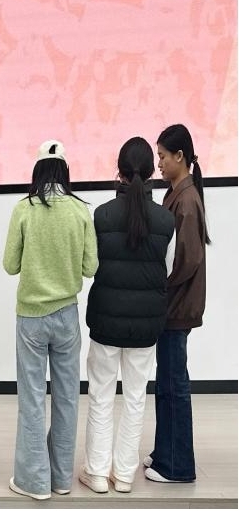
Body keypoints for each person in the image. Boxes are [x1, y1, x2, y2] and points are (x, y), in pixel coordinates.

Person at [3, 141, 98, 501]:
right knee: (67, 398)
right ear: (65, 172)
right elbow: (91, 267)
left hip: (31, 317)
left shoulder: (23, 209)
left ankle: (34, 481)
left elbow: (10, 265)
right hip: (67, 316)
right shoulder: (80, 210)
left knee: (32, 399)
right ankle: (61, 478)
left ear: (37, 171)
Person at [80, 137, 174, 494]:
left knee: (101, 396)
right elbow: (168, 270)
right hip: (147, 325)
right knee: (135, 399)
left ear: (118, 170)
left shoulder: (102, 215)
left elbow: (92, 266)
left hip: (105, 321)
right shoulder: (166, 220)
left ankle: (97, 473)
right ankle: (124, 476)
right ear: (151, 172)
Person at [146, 124, 209, 484]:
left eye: (163, 156)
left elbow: (185, 261)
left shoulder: (185, 200)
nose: (159, 163)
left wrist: (158, 287)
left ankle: (178, 465)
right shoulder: (178, 194)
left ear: (180, 156)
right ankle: (164, 454)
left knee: (173, 386)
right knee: (168, 383)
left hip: (176, 307)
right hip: (172, 307)